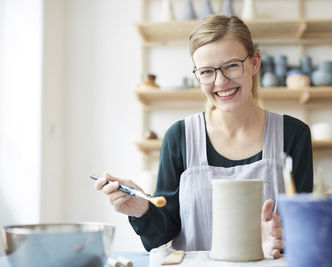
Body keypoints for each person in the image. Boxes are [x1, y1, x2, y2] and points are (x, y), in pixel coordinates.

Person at [95, 15, 313, 259]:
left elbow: (305, 232)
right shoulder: (179, 137)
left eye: (231, 65)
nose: (220, 82)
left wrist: (281, 238)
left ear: (254, 63)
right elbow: (163, 232)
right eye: (207, 72)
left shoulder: (294, 135)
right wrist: (142, 209)